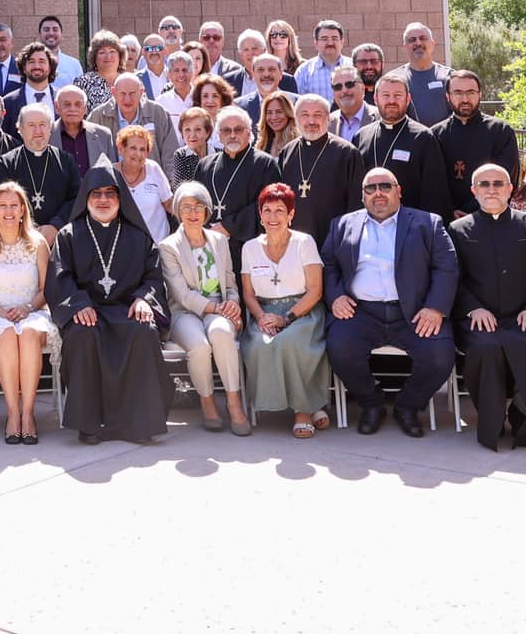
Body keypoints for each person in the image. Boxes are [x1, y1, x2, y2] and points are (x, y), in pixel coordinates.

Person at [322, 167, 458, 438]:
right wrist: (336, 295)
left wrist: (434, 308)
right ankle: (372, 404)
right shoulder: (342, 224)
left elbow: (447, 267)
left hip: (414, 311)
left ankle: (407, 406)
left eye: (385, 186)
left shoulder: (428, 223)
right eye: (370, 189)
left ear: (399, 191)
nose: (378, 194)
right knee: (340, 347)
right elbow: (328, 264)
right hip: (361, 312)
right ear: (362, 196)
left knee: (439, 356)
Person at [448, 164, 526, 450]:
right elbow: (452, 278)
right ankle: (492, 421)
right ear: (474, 190)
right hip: (479, 319)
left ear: (510, 189)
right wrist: (473, 308)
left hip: (525, 316)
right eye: (485, 184)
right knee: (485, 347)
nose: (492, 189)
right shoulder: (456, 229)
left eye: (498, 184)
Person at [49, 165, 170, 444]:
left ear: (120, 198)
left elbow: (153, 276)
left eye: (110, 194)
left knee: (144, 331)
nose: (103, 200)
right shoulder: (68, 235)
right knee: (82, 334)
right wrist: (78, 304)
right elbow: (60, 278)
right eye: (96, 194)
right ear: (86, 198)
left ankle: (139, 424)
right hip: (87, 310)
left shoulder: (138, 236)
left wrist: (144, 299)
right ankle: (89, 425)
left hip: (126, 308)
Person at [239, 184, 330, 439]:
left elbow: (315, 291)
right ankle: (312, 406)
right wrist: (261, 317)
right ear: (260, 214)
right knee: (259, 343)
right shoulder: (250, 247)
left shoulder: (304, 242)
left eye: (280, 210)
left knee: (291, 341)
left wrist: (286, 317)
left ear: (291, 215)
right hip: (265, 311)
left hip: (302, 311)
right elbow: (248, 293)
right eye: (267, 210)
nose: (273, 217)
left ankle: (303, 411)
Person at [158, 181, 250, 434]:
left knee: (221, 333)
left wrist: (232, 304)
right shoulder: (168, 247)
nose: (192, 212)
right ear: (177, 211)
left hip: (219, 308)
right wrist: (217, 308)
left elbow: (230, 282)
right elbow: (181, 294)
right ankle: (207, 402)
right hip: (184, 312)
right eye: (186, 207)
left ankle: (233, 402)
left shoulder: (220, 240)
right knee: (199, 346)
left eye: (198, 206)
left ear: (207, 211)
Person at [0, 182, 56, 445]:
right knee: (7, 335)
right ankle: (12, 415)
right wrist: (2, 312)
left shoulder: (38, 243)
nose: (9, 211)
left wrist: (28, 308)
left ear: (22, 211)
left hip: (32, 311)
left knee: (28, 334)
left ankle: (28, 414)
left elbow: (46, 289)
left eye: (14, 206)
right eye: (3, 205)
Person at [351, 73, 453, 221]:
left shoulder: (423, 137)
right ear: (375, 99)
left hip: (410, 225)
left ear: (408, 99)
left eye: (397, 95)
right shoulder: (361, 136)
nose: (391, 101)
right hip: (369, 223)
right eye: (386, 95)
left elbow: (435, 193)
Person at [274, 96, 364, 247]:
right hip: (293, 243)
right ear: (296, 119)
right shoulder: (287, 152)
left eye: (317, 115)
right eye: (305, 115)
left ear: (328, 118)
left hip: (333, 242)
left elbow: (356, 206)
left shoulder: (347, 153)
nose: (311, 122)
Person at [432, 70, 522, 219]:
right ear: (448, 96)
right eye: (458, 93)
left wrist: (473, 211)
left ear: (480, 94)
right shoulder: (435, 134)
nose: (465, 99)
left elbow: (507, 178)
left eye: (471, 92)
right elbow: (433, 181)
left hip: (490, 215)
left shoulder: (500, 131)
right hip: (449, 218)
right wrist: (449, 211)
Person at [197, 106, 280, 250]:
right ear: (219, 135)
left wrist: (229, 227)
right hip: (210, 245)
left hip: (249, 247)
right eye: (226, 130)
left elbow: (268, 205)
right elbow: (196, 202)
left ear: (249, 133)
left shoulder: (265, 164)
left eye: (238, 129)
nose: (232, 135)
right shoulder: (205, 165)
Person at [0, 102, 80, 240]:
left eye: (42, 125)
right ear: (20, 129)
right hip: (19, 238)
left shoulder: (66, 161)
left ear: (50, 128)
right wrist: (26, 228)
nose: (38, 131)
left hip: (59, 240)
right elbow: (2, 202)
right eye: (31, 125)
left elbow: (77, 198)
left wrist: (56, 225)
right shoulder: (7, 163)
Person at [88, 72, 177, 172]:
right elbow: (91, 155)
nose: (127, 99)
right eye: (122, 93)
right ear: (113, 92)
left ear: (141, 92)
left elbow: (170, 155)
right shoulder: (99, 116)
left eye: (132, 93)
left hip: (150, 180)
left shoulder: (157, 113)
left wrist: (170, 183)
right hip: (113, 183)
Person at [114, 124, 174, 242]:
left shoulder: (153, 169)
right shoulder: (111, 174)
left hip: (158, 245)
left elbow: (169, 204)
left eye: (143, 149)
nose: (138, 154)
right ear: (121, 149)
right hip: (124, 247)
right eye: (133, 148)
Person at [54, 84, 116, 179]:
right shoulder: (47, 135)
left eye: (78, 104)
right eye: (67, 104)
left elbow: (112, 175)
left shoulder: (103, 135)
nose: (72, 109)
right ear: (57, 107)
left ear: (85, 109)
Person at [400, 23, 452, 126]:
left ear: (432, 44)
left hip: (442, 141)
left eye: (423, 38)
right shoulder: (395, 78)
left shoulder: (449, 76)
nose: (418, 43)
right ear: (405, 46)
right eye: (412, 40)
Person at [4, 41, 64, 126]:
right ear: (24, 68)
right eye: (31, 62)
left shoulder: (62, 99)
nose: (37, 66)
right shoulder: (8, 102)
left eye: (42, 61)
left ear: (50, 67)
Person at [295, 20, 348, 103]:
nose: (330, 43)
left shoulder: (353, 67)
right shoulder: (304, 71)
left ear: (342, 42)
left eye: (334, 38)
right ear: (316, 43)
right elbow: (297, 103)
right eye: (324, 39)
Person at [79, 30, 125, 115]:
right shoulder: (83, 82)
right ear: (94, 57)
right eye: (102, 52)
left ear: (120, 55)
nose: (108, 56)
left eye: (112, 51)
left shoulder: (129, 80)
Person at [36, 14, 85, 87]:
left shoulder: (74, 64)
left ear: (61, 35)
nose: (51, 33)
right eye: (46, 30)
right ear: (39, 35)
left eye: (55, 29)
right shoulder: (31, 63)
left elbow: (81, 92)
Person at [329, 68, 374, 142]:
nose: (344, 90)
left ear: (362, 88)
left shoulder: (380, 118)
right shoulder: (328, 123)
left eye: (349, 84)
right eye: (338, 87)